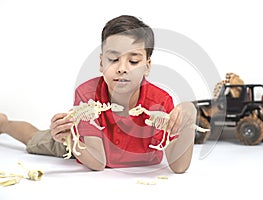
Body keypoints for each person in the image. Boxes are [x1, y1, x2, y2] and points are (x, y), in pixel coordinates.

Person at [0, 15, 196, 173]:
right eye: (113, 59)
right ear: (101, 63)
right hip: (84, 148)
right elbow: (98, 162)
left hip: (137, 159)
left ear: (147, 66)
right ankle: (4, 124)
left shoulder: (161, 101)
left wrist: (189, 115)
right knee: (35, 140)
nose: (122, 68)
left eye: (133, 61)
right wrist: (71, 139)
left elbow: (179, 167)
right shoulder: (88, 95)